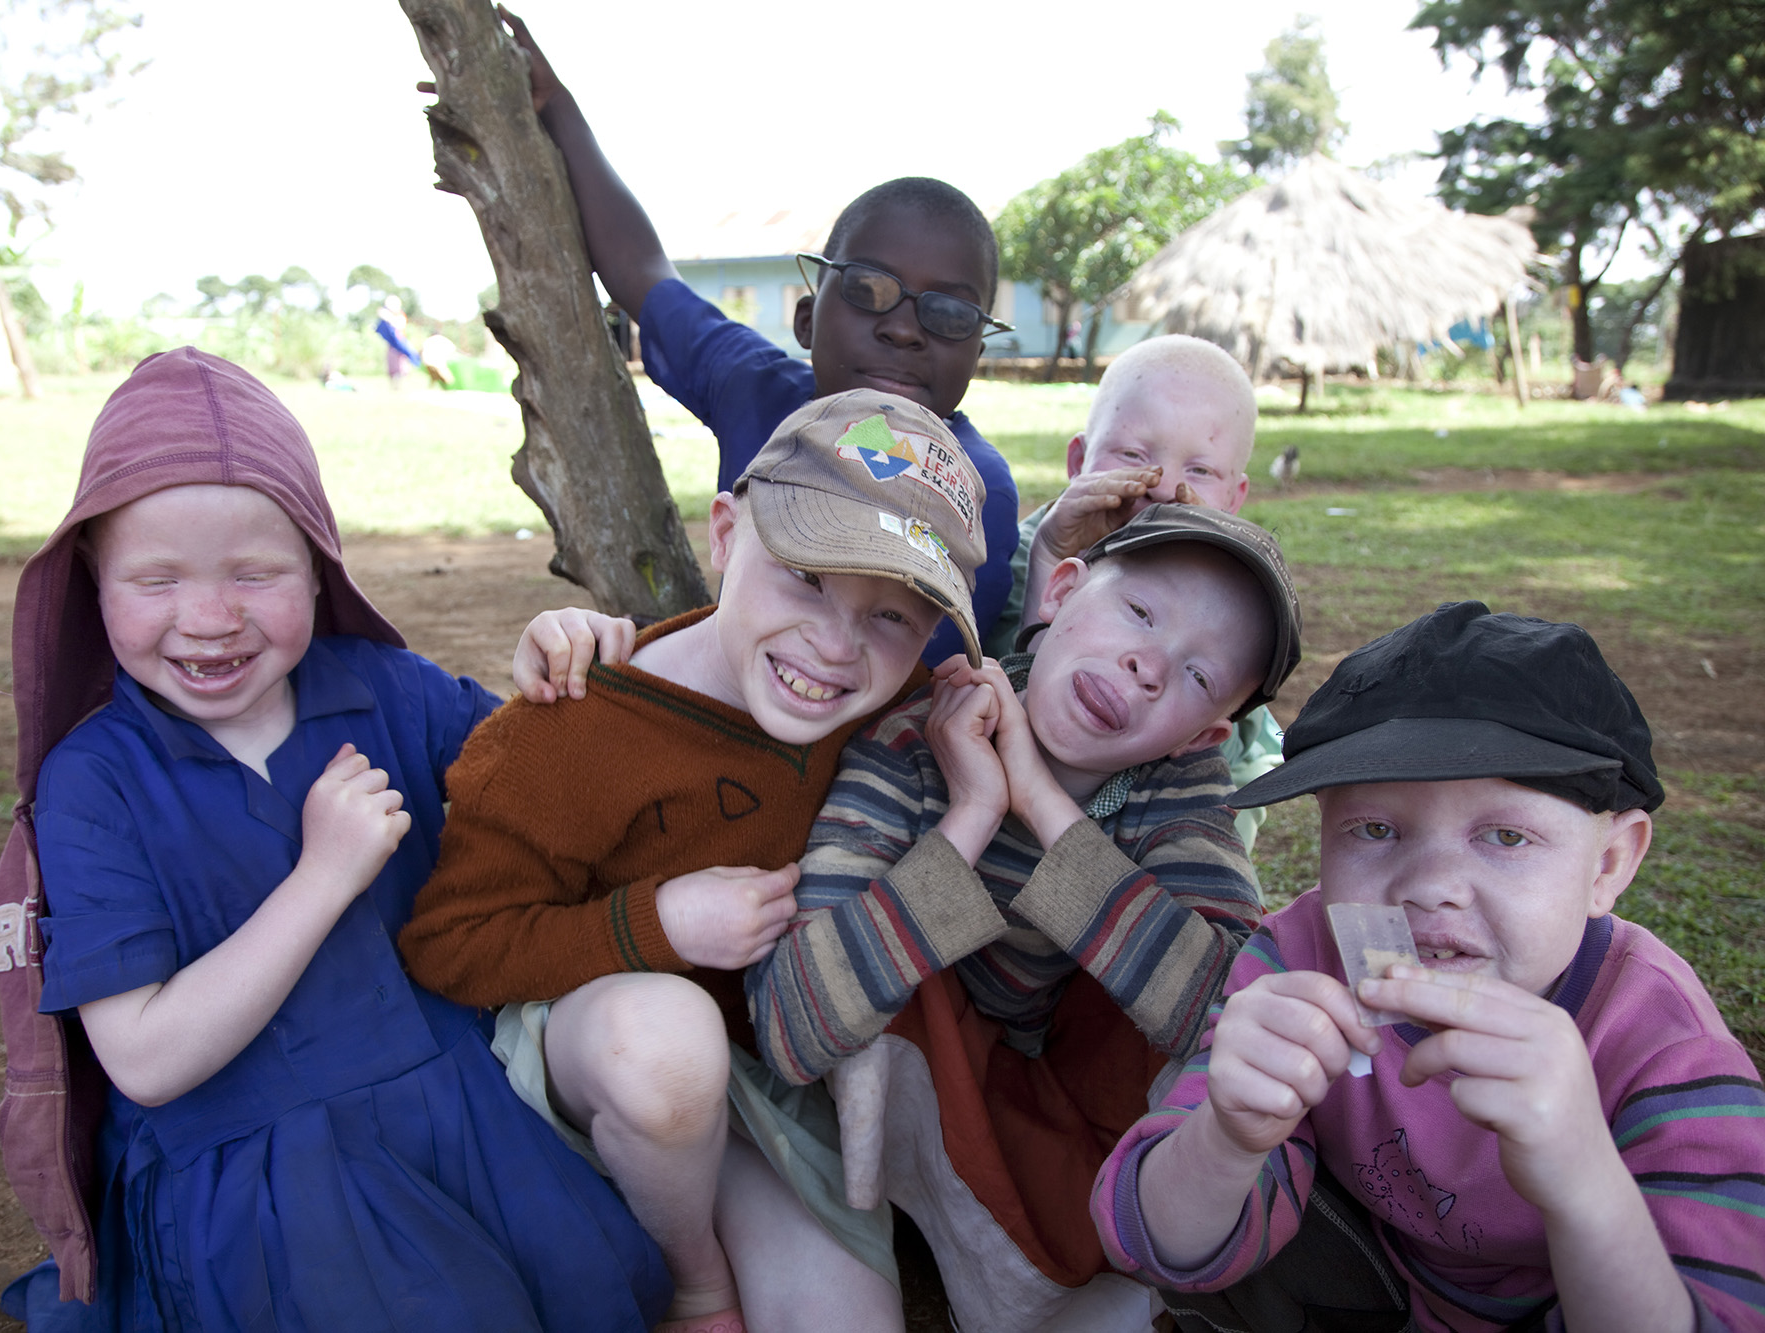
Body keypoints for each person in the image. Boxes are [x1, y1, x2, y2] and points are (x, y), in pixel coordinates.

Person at [0, 346, 670, 1331]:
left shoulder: (385, 689)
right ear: (93, 573)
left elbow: (562, 809)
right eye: (157, 579)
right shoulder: (94, 780)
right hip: (267, 1175)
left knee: (589, 1293)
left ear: (317, 563)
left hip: (463, 1116)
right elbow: (143, 1058)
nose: (209, 619)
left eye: (255, 573)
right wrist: (322, 877)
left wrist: (556, 679)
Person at [400, 389, 991, 1333]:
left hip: (762, 1092)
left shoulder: (903, 716)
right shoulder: (571, 725)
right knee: (665, 1042)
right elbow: (450, 946)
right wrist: (659, 922)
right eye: (804, 577)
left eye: (892, 615)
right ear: (724, 532)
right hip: (594, 1064)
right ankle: (695, 1283)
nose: (834, 646)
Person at [1092, 602, 1765, 1333]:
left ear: (1608, 863)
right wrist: (1227, 1136)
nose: (1431, 883)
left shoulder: (1666, 1046)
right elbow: (1148, 1239)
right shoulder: (1299, 960)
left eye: (1506, 835)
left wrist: (1585, 1180)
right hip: (1369, 1280)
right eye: (1375, 829)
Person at [750, 505, 1302, 1332]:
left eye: (1197, 676)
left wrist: (1040, 802)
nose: (1148, 664)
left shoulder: (1176, 785)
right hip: (927, 1079)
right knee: (873, 978)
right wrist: (972, 811)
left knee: (1211, 1005)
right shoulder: (909, 743)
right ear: (1060, 589)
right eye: (1140, 613)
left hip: (1054, 1084)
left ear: (1209, 732)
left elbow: (1228, 1017)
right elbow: (791, 1025)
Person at [469, 9, 1019, 668]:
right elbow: (641, 273)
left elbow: (931, 688)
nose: (903, 327)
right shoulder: (756, 388)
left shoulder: (977, 491)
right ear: (807, 321)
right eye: (869, 289)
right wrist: (559, 108)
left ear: (976, 356)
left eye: (949, 314)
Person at [982, 333, 1280, 849]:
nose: (1162, 485)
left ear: (1234, 498)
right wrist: (1049, 554)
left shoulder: (1238, 612)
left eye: (1201, 470)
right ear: (1079, 461)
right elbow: (1031, 698)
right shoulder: (1007, 557)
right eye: (1133, 453)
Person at [374, 294, 421, 388]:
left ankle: (400, 386)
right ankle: (394, 387)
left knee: (401, 367)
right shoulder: (386, 314)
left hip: (400, 343)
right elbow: (381, 313)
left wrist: (389, 318)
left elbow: (399, 326)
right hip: (392, 346)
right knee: (392, 367)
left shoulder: (400, 316)